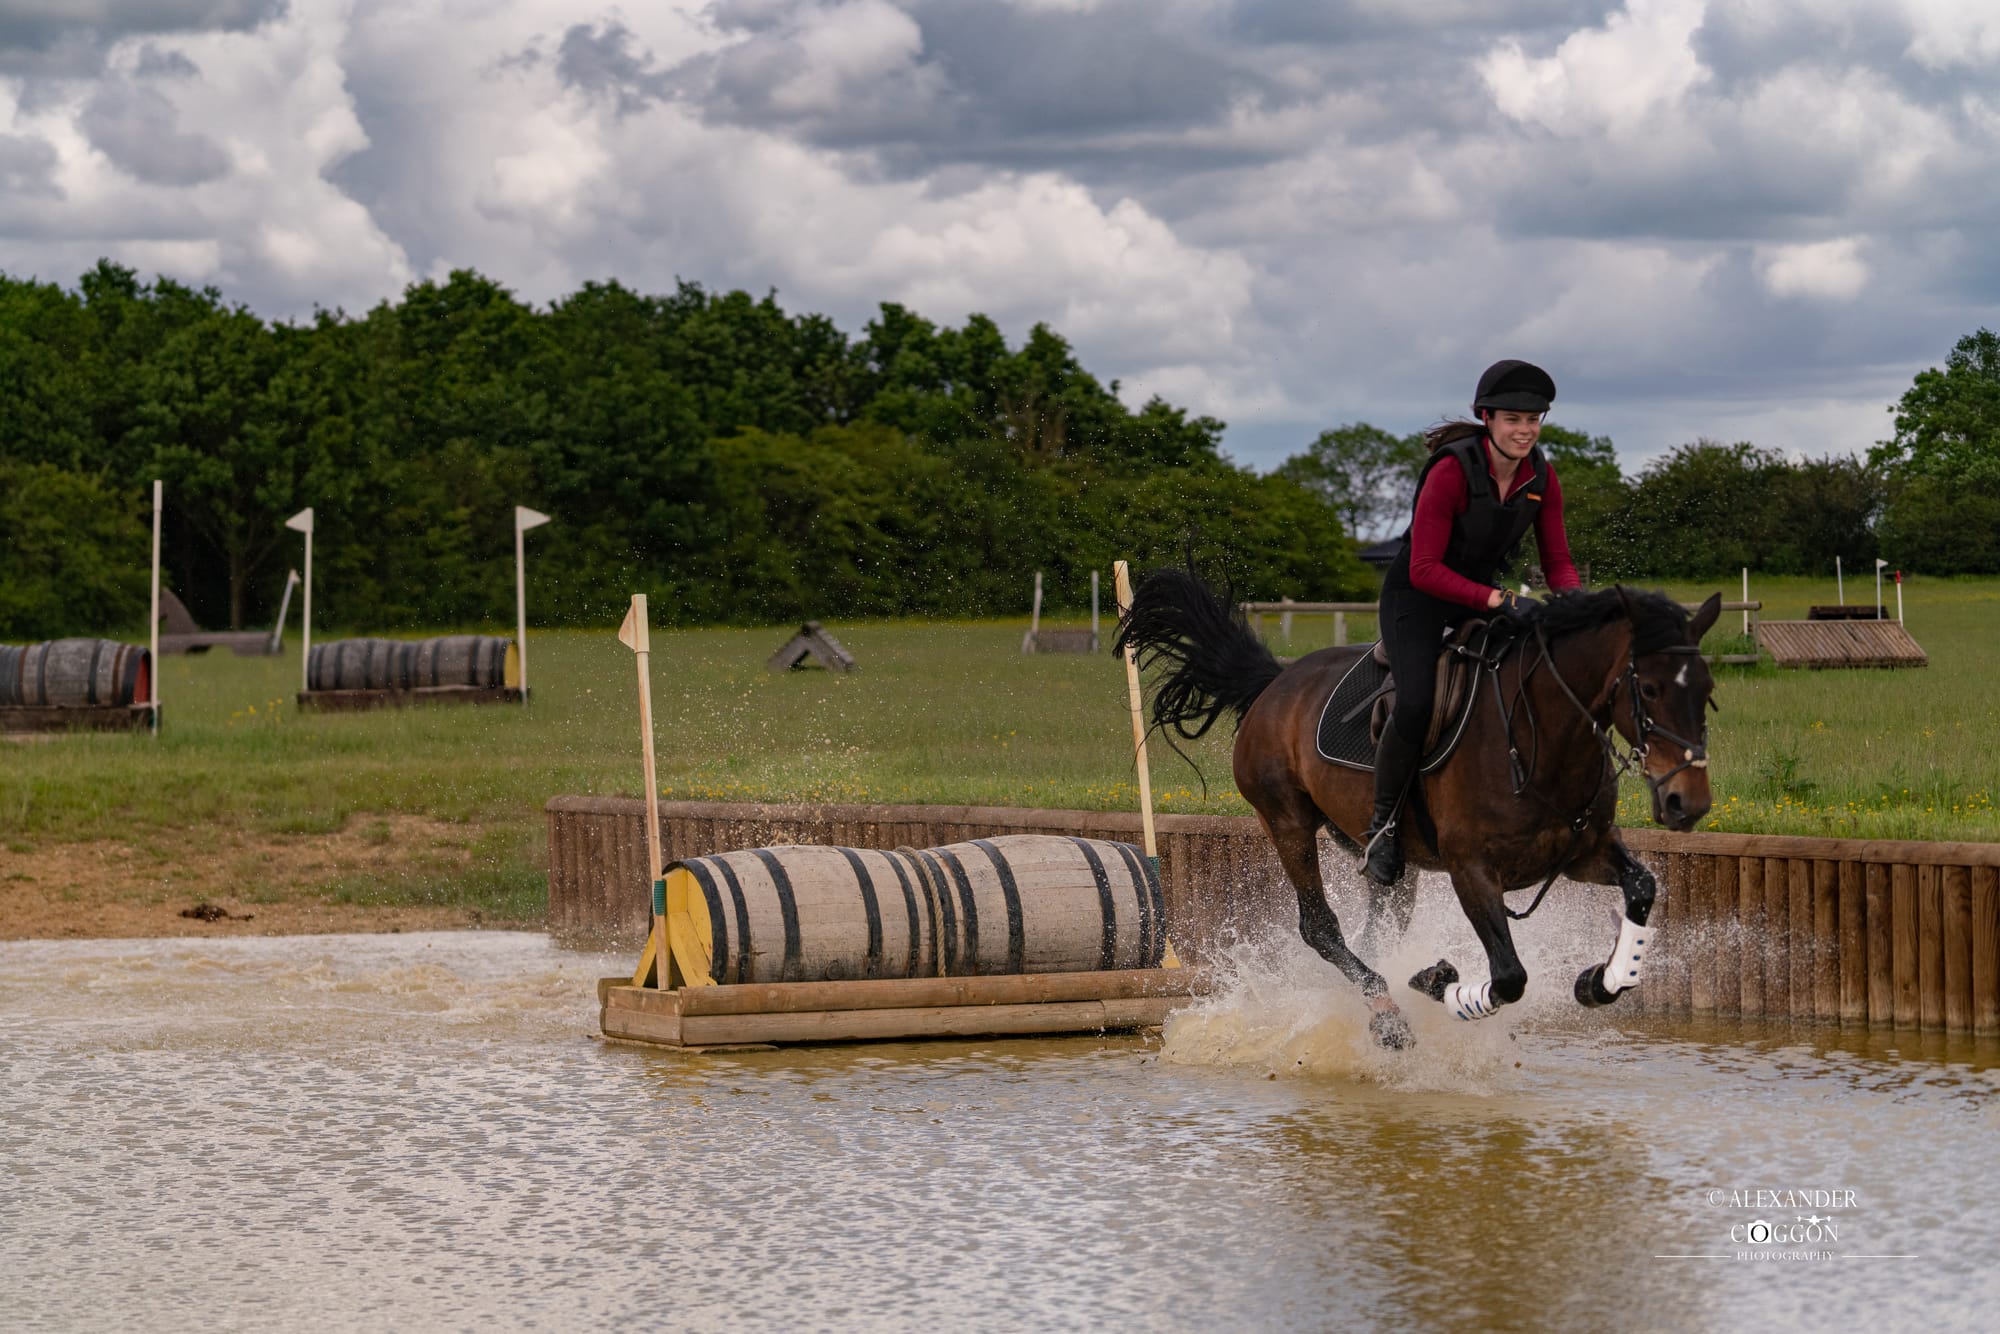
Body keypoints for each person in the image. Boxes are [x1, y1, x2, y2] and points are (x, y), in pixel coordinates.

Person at [1361, 359, 1583, 886]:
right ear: (1486, 418)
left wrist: (1578, 609)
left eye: (1534, 419)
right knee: (1415, 703)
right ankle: (1382, 827)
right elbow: (1425, 568)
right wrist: (1502, 601)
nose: (1525, 429)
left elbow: (1558, 562)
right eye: (1513, 419)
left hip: (1478, 600)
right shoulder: (1450, 471)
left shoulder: (1540, 477)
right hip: (1415, 599)